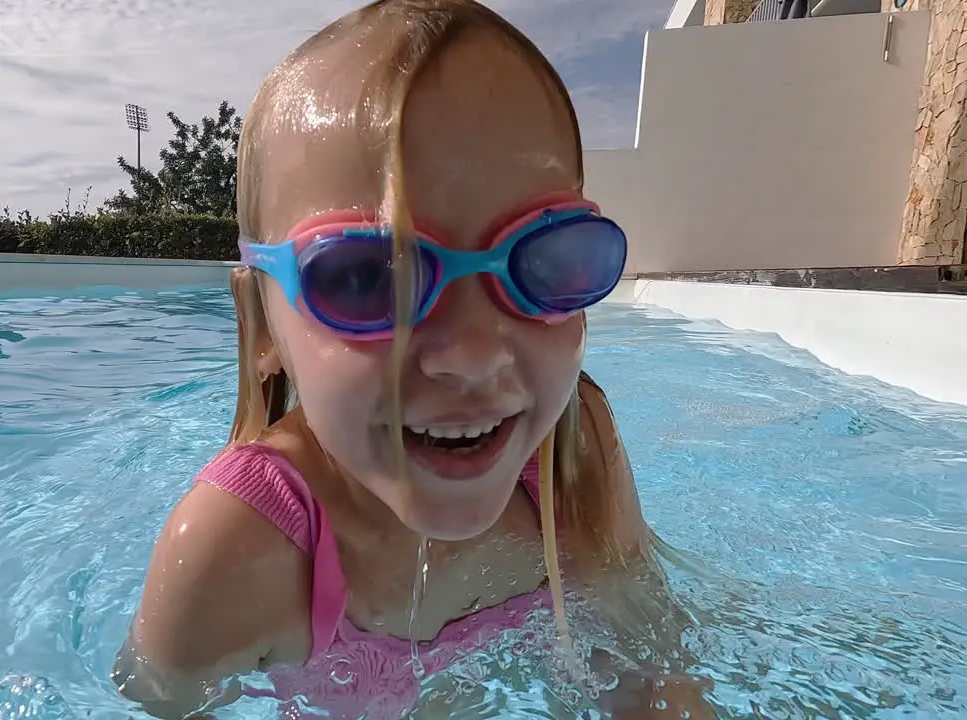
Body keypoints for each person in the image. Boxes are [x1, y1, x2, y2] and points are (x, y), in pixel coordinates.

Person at [113, 1, 716, 717]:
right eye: (369, 277)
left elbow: (654, 666)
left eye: (547, 259)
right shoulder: (233, 558)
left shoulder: (570, 456)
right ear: (261, 324)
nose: (471, 354)